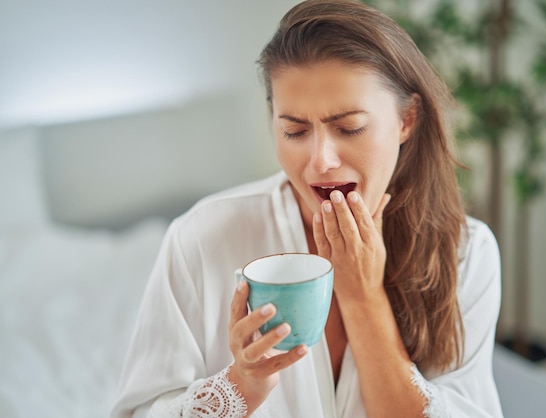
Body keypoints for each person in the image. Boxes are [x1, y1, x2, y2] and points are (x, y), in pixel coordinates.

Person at [111, 0, 503, 417]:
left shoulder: (466, 252)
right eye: (294, 131)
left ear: (407, 119)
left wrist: (364, 297)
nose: (320, 161)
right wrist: (239, 386)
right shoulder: (201, 237)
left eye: (349, 127)